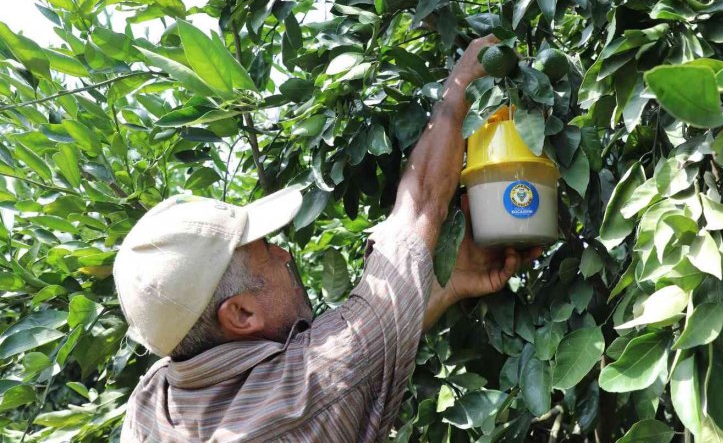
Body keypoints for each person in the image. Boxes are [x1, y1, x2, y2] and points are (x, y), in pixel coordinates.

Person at [114, 35, 543, 442]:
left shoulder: (150, 403)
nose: (284, 254)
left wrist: (441, 286)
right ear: (240, 313)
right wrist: (461, 84)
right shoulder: (303, 394)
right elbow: (421, 209)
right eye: (265, 250)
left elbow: (362, 356)